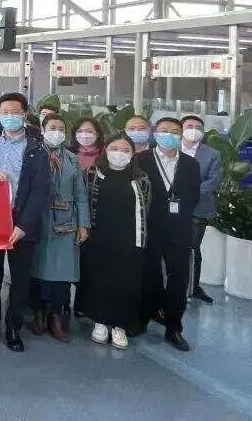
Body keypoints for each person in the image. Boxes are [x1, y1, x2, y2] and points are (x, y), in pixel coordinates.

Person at [0, 92, 51, 352]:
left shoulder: (36, 149)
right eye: (5, 112)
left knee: (19, 278)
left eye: (15, 112)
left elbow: (41, 191)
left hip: (21, 221)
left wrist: (24, 225)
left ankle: (13, 326)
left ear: (25, 114)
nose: (10, 116)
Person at [78, 134, 152, 350]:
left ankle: (120, 326)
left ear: (132, 154)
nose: (119, 153)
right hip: (98, 237)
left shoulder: (141, 178)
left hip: (129, 238)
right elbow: (83, 202)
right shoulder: (92, 174)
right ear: (105, 150)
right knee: (98, 279)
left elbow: (146, 207)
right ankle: (100, 322)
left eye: (125, 150)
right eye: (114, 148)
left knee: (126, 281)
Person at [138, 117, 201, 352]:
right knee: (148, 273)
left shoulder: (190, 164)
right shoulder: (141, 160)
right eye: (164, 130)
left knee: (179, 277)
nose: (169, 135)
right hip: (150, 227)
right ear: (155, 133)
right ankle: (145, 315)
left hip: (179, 229)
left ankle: (174, 326)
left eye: (175, 131)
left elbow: (193, 195)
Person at [30, 113, 91, 343]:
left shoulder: (72, 159)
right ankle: (39, 312)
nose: (57, 132)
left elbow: (81, 195)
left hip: (66, 219)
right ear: (42, 130)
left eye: (61, 129)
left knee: (63, 271)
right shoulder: (33, 154)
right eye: (52, 128)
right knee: (37, 266)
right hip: (39, 218)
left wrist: (83, 224)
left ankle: (56, 316)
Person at [180, 115, 222, 303]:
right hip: (168, 207)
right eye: (189, 126)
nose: (193, 130)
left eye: (198, 127)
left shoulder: (212, 154)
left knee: (193, 247)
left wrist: (188, 195)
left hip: (198, 208)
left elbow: (213, 181)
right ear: (181, 128)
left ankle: (193, 287)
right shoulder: (170, 149)